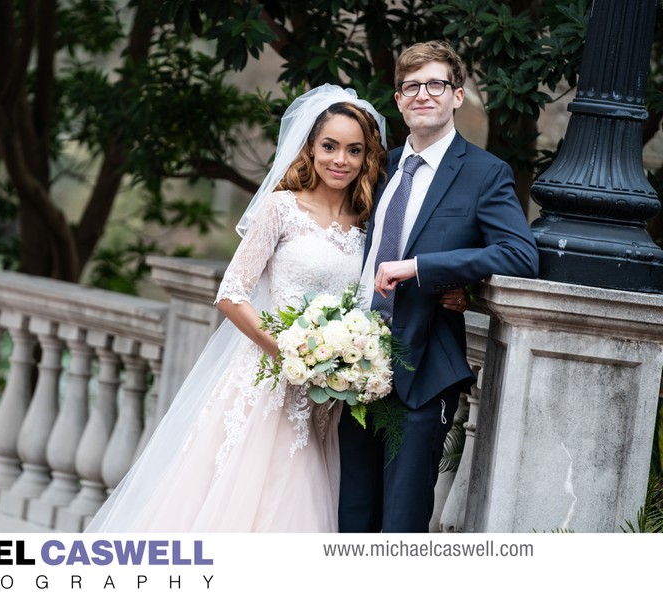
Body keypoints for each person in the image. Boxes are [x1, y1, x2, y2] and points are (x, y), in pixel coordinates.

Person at [85, 84, 390, 532]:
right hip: (266, 381)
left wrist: (344, 359)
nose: (339, 160)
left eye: (353, 150)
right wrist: (289, 353)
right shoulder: (281, 209)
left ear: (367, 158)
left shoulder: (367, 223)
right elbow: (231, 293)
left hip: (326, 397)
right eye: (330, 146)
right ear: (310, 147)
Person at [337, 41, 540, 533]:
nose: (422, 95)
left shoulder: (484, 173)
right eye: (411, 86)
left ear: (457, 96)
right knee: (350, 517)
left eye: (435, 84)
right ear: (399, 99)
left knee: (401, 525)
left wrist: (423, 268)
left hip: (424, 367)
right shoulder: (376, 168)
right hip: (351, 367)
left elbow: (519, 254)